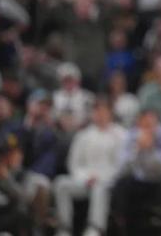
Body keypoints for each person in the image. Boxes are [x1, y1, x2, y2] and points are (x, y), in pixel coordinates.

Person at [53, 99, 126, 236]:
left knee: (99, 188)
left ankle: (95, 228)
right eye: (97, 111)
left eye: (103, 111)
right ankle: (64, 228)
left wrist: (100, 177)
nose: (100, 115)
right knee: (61, 184)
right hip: (84, 180)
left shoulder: (120, 134)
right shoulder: (83, 135)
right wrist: (85, 177)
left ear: (110, 113)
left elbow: (120, 165)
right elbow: (73, 163)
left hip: (108, 181)